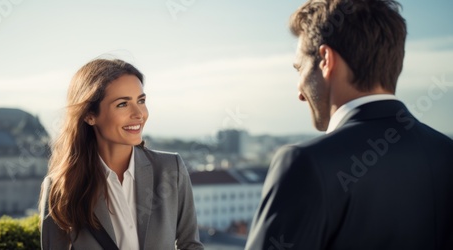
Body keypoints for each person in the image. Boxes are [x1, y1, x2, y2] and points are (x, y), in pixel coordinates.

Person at [245, 0, 453, 249]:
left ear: (325, 60)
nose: (299, 92)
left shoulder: (305, 163)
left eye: (300, 69)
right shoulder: (446, 152)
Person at [39, 58, 204, 250]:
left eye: (141, 101)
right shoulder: (61, 187)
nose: (139, 113)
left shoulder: (170, 168)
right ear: (89, 115)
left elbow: (190, 245)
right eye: (122, 104)